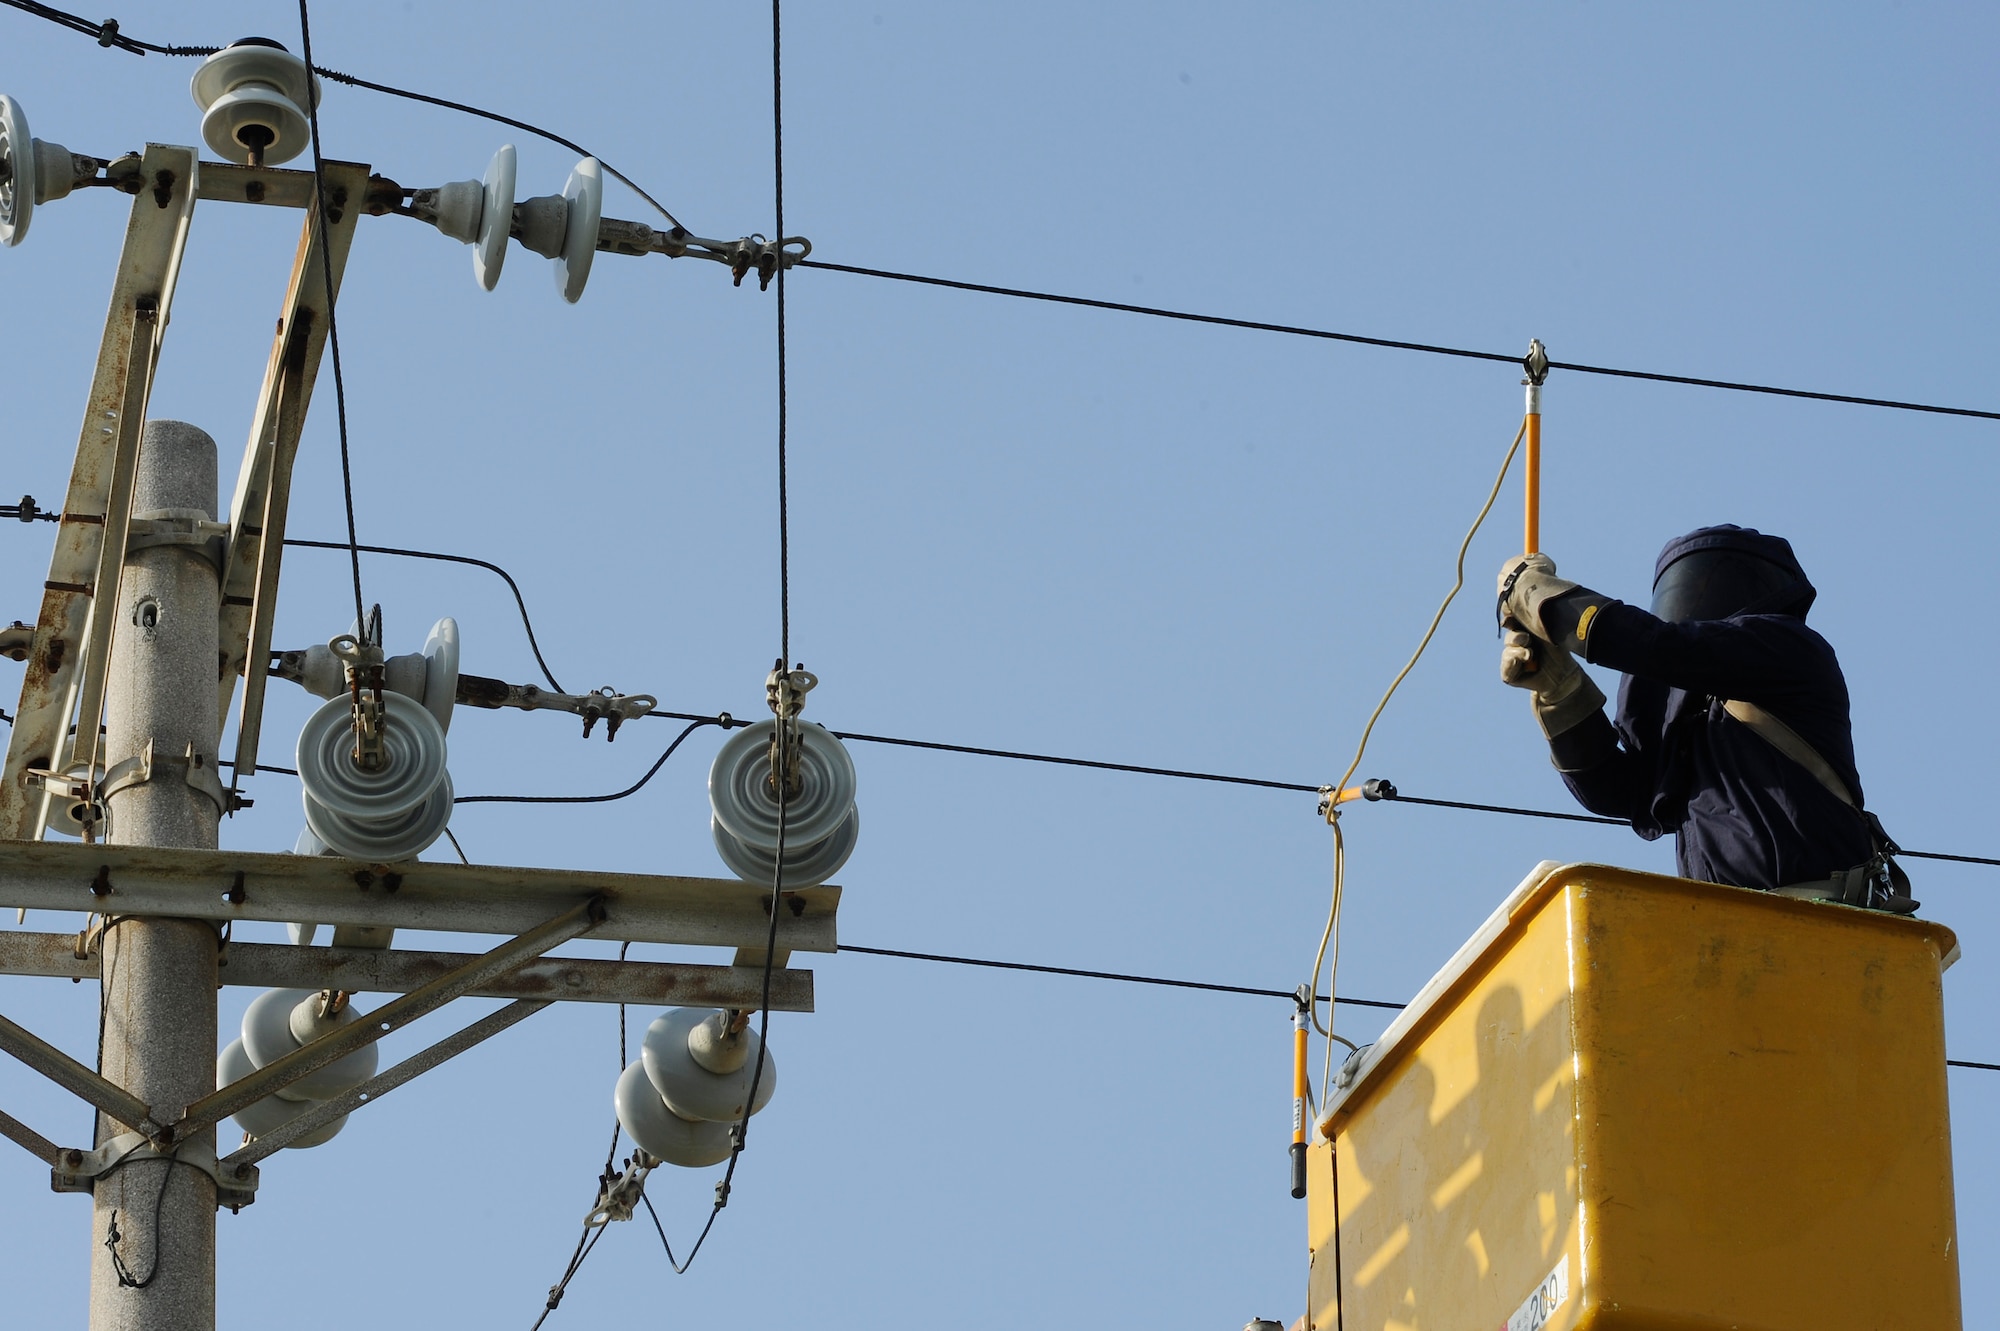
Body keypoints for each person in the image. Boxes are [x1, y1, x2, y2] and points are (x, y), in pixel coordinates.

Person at [1495, 524, 1913, 911]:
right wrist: (1560, 691)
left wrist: (1536, 595)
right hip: (1727, 927)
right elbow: (1618, 791)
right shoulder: (1686, 717)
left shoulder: (1787, 650)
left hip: (1821, 918)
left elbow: (1655, 645)